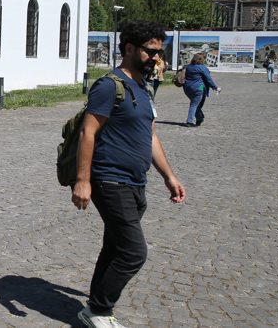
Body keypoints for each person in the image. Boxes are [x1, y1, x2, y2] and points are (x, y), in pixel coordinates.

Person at [72, 20, 187, 328]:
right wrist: (83, 180)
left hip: (136, 183)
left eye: (160, 52)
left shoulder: (145, 87)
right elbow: (88, 132)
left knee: (115, 246)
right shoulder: (109, 85)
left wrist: (168, 176)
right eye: (151, 52)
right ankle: (99, 310)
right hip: (110, 180)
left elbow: (150, 137)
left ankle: (93, 307)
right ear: (130, 49)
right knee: (134, 252)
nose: (157, 58)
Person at [183, 53, 221, 127]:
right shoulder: (202, 68)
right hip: (198, 88)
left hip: (187, 88)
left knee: (195, 104)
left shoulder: (188, 66)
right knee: (194, 105)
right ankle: (189, 121)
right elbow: (209, 79)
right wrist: (216, 88)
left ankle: (200, 118)